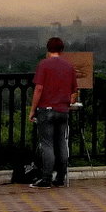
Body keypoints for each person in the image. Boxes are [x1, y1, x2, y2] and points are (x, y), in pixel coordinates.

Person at [28, 36, 80, 188]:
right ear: (62, 50)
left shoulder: (44, 65)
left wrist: (32, 110)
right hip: (63, 110)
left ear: (47, 49)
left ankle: (46, 179)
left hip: (46, 109)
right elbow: (74, 92)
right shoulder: (69, 67)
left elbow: (38, 88)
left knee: (47, 144)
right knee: (61, 143)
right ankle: (61, 178)